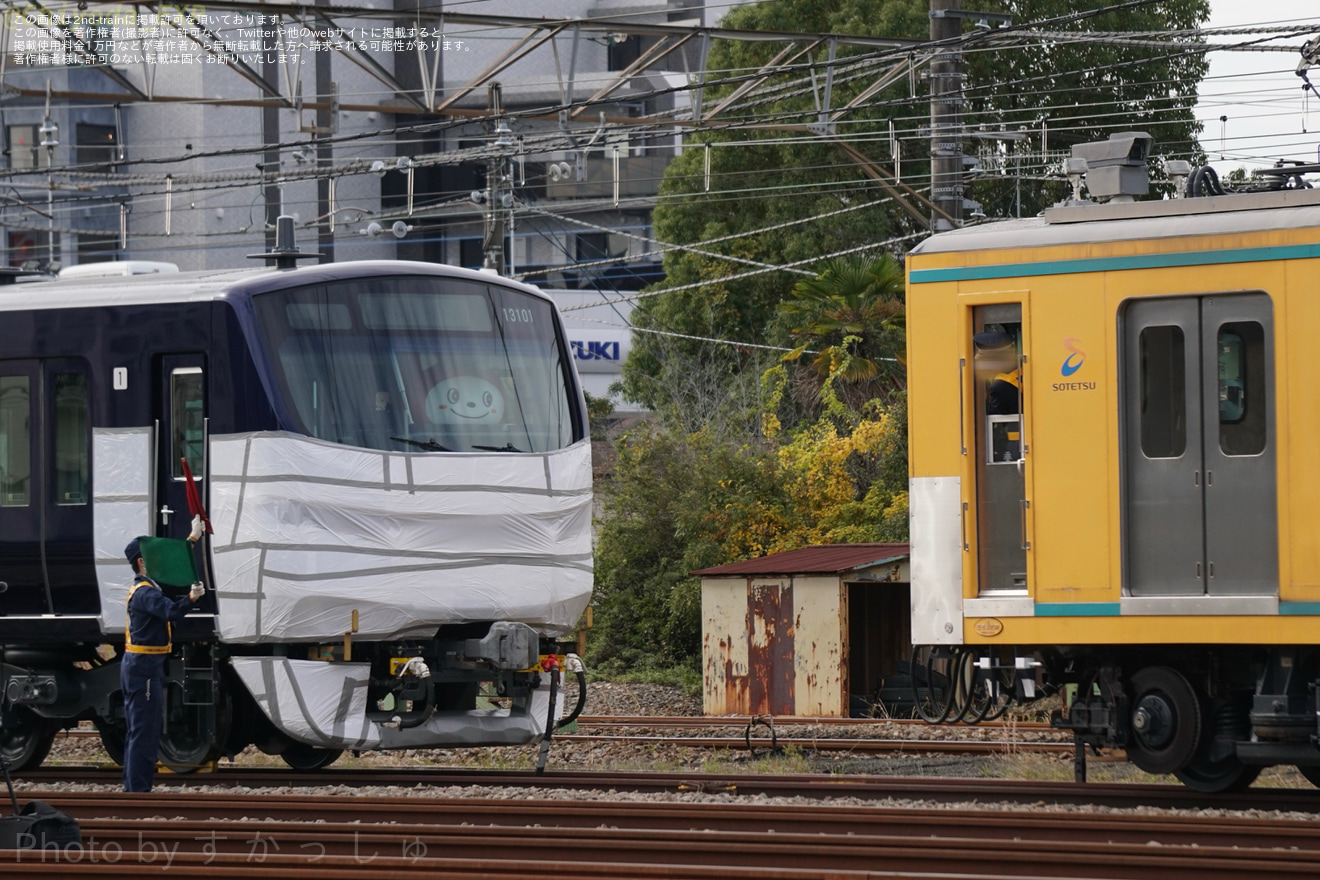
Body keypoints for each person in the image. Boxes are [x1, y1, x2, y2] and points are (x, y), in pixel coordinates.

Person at [121, 516, 206, 793]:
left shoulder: (147, 588)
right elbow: (170, 611)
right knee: (145, 732)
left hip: (144, 664)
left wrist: (192, 538)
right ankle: (138, 792)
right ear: (142, 563)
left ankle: (133, 789)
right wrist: (191, 599)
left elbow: (172, 563)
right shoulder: (145, 593)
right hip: (144, 667)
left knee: (140, 730)